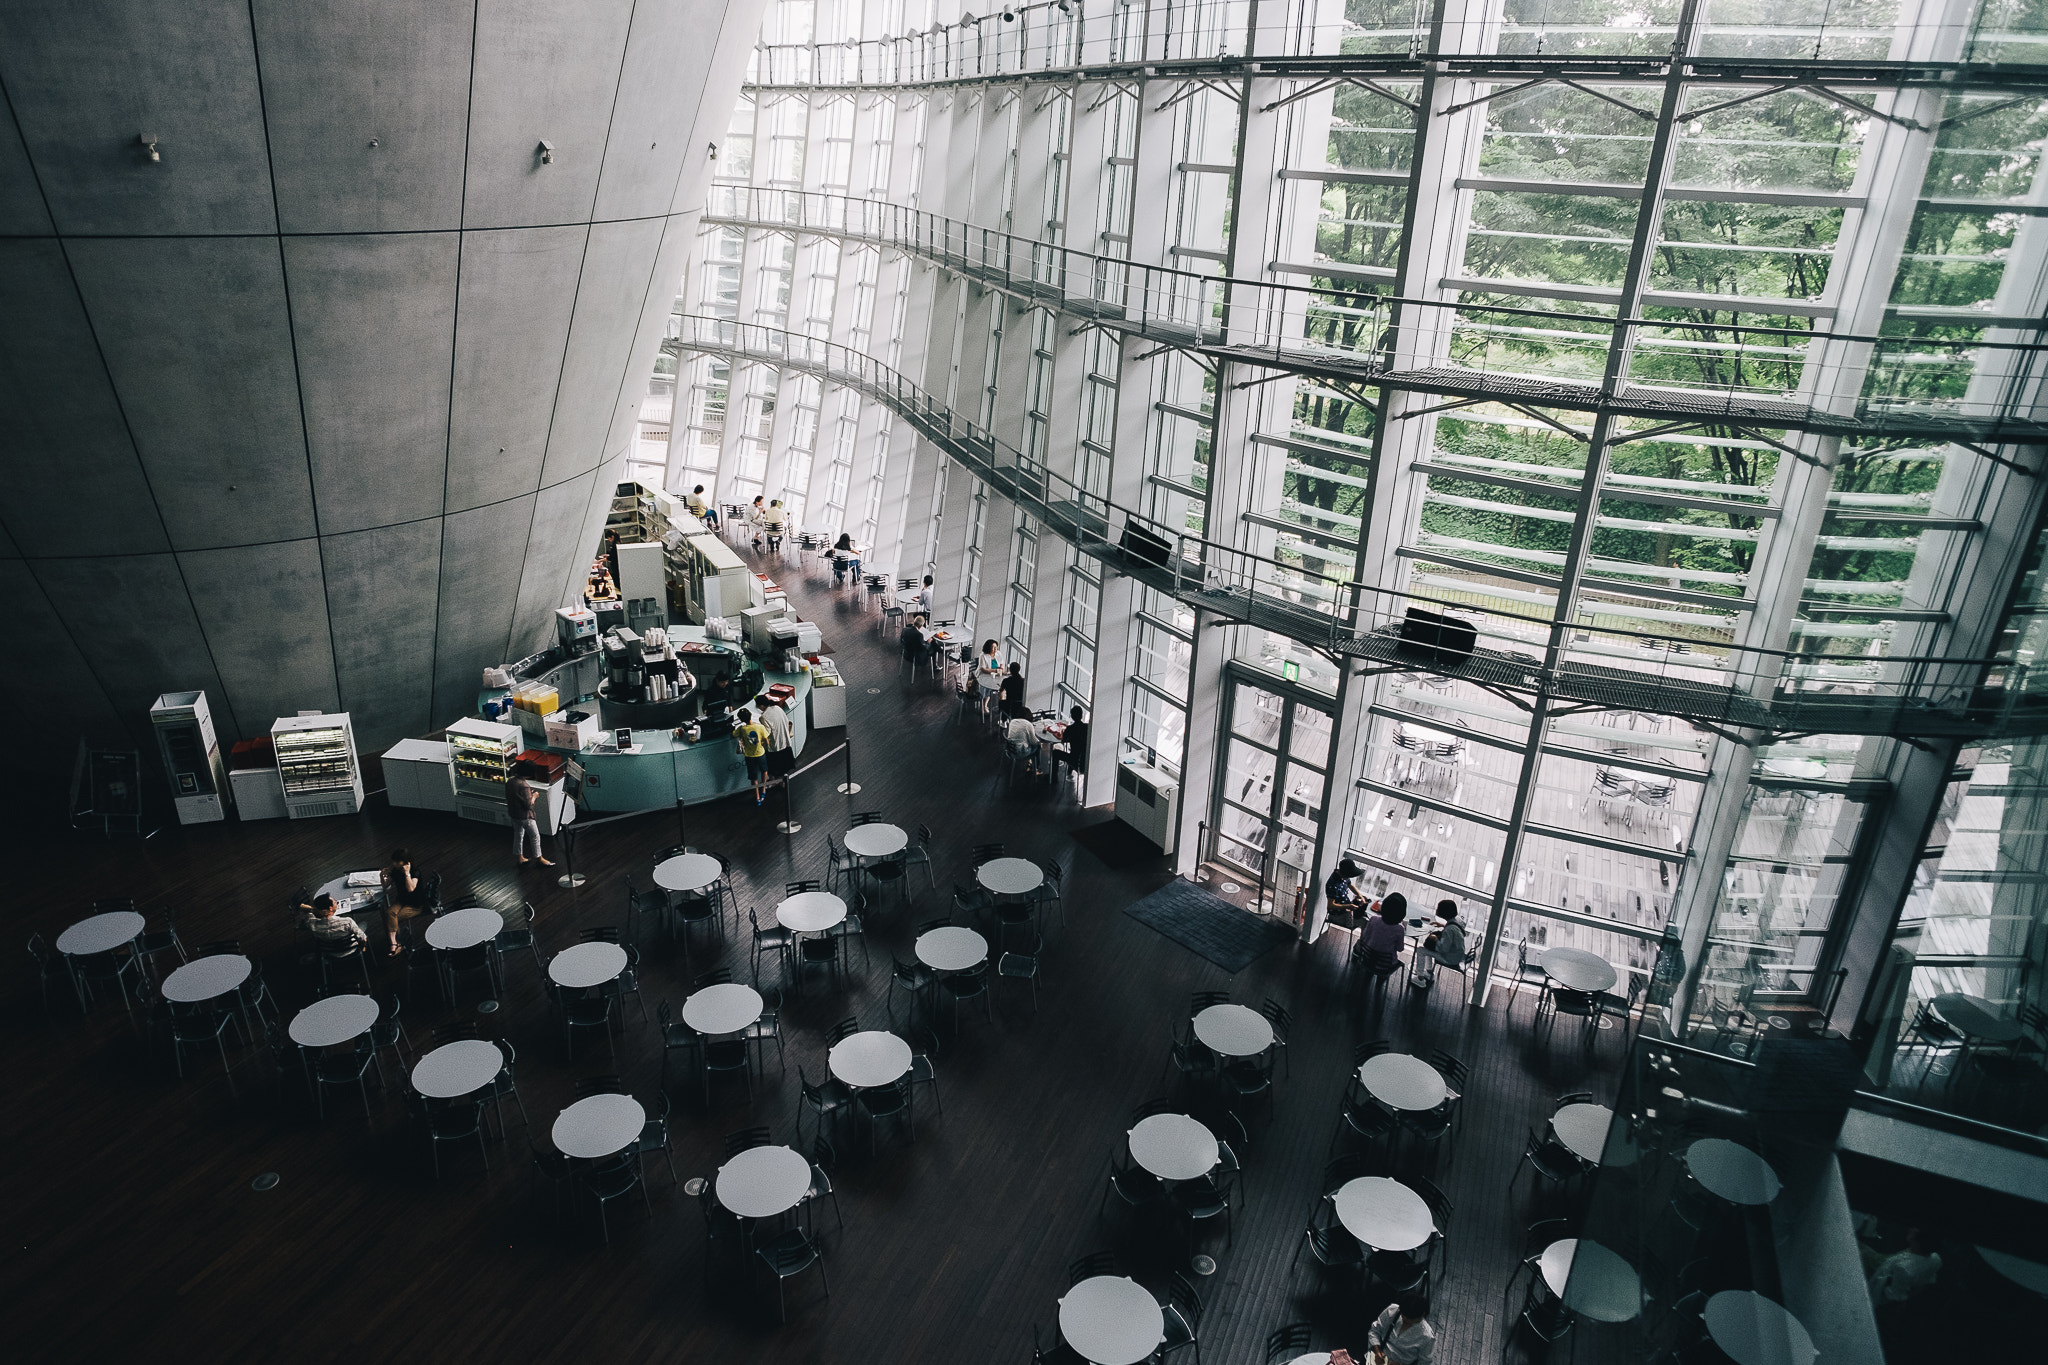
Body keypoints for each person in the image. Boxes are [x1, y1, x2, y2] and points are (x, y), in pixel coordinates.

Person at [378, 847, 434, 955]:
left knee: (393, 918)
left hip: (416, 904)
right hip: (402, 901)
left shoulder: (415, 871)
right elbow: (385, 886)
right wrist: (382, 876)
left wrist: (407, 873)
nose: (394, 863)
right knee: (389, 913)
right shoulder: (395, 870)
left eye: (397, 861)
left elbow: (411, 888)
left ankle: (397, 944)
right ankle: (394, 942)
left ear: (405, 862)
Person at [1869, 1227, 1941, 1305]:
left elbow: (1893, 1295)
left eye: (1915, 1229)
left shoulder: (1903, 1268)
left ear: (1917, 1242)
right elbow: (1928, 1280)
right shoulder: (1936, 1258)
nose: (1911, 1228)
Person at [1366, 1297, 1435, 1365]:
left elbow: (1425, 1363)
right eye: (1403, 1317)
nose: (1404, 1322)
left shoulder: (1427, 1337)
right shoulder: (1392, 1311)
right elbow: (1374, 1331)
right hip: (1376, 1357)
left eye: (1409, 1321)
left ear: (1421, 1316)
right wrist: (1377, 1352)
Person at [508, 774, 552, 868]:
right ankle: (539, 858)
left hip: (514, 814)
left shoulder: (511, 781)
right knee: (535, 837)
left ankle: (519, 857)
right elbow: (528, 805)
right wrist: (534, 796)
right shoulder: (524, 785)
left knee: (518, 835)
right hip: (525, 816)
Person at [754, 691, 795, 789]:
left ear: (762, 706)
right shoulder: (777, 708)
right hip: (785, 742)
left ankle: (774, 782)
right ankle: (782, 782)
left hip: (775, 746)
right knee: (783, 767)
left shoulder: (763, 717)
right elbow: (786, 721)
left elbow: (766, 733)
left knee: (773, 767)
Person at [301, 893, 367, 949]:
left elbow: (302, 907)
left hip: (328, 951)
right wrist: (362, 948)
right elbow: (363, 939)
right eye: (335, 902)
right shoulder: (348, 922)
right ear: (330, 908)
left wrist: (315, 910)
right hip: (350, 949)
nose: (336, 902)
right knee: (363, 924)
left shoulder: (312, 924)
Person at [733, 706, 770, 805]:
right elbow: (767, 741)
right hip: (760, 753)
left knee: (753, 777)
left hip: (749, 756)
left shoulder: (742, 729)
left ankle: (757, 796)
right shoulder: (760, 727)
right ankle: (764, 790)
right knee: (764, 771)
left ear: (741, 719)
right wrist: (762, 745)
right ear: (751, 715)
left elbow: (733, 734)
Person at [1052, 705, 1088, 783]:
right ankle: (1069, 772)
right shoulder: (1087, 727)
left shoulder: (1070, 729)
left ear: (1071, 716)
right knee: (1075, 752)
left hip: (1075, 762)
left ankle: (1053, 778)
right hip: (1086, 763)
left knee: (1055, 753)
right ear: (1082, 715)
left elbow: (1063, 740)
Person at [976, 640, 1003, 723]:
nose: (995, 649)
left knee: (992, 688)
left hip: (995, 675)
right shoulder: (983, 656)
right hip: (984, 675)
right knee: (986, 688)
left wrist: (1000, 669)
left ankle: (985, 704)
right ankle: (983, 706)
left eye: (996, 647)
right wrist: (995, 670)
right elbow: (983, 669)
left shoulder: (998, 654)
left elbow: (1001, 663)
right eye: (993, 647)